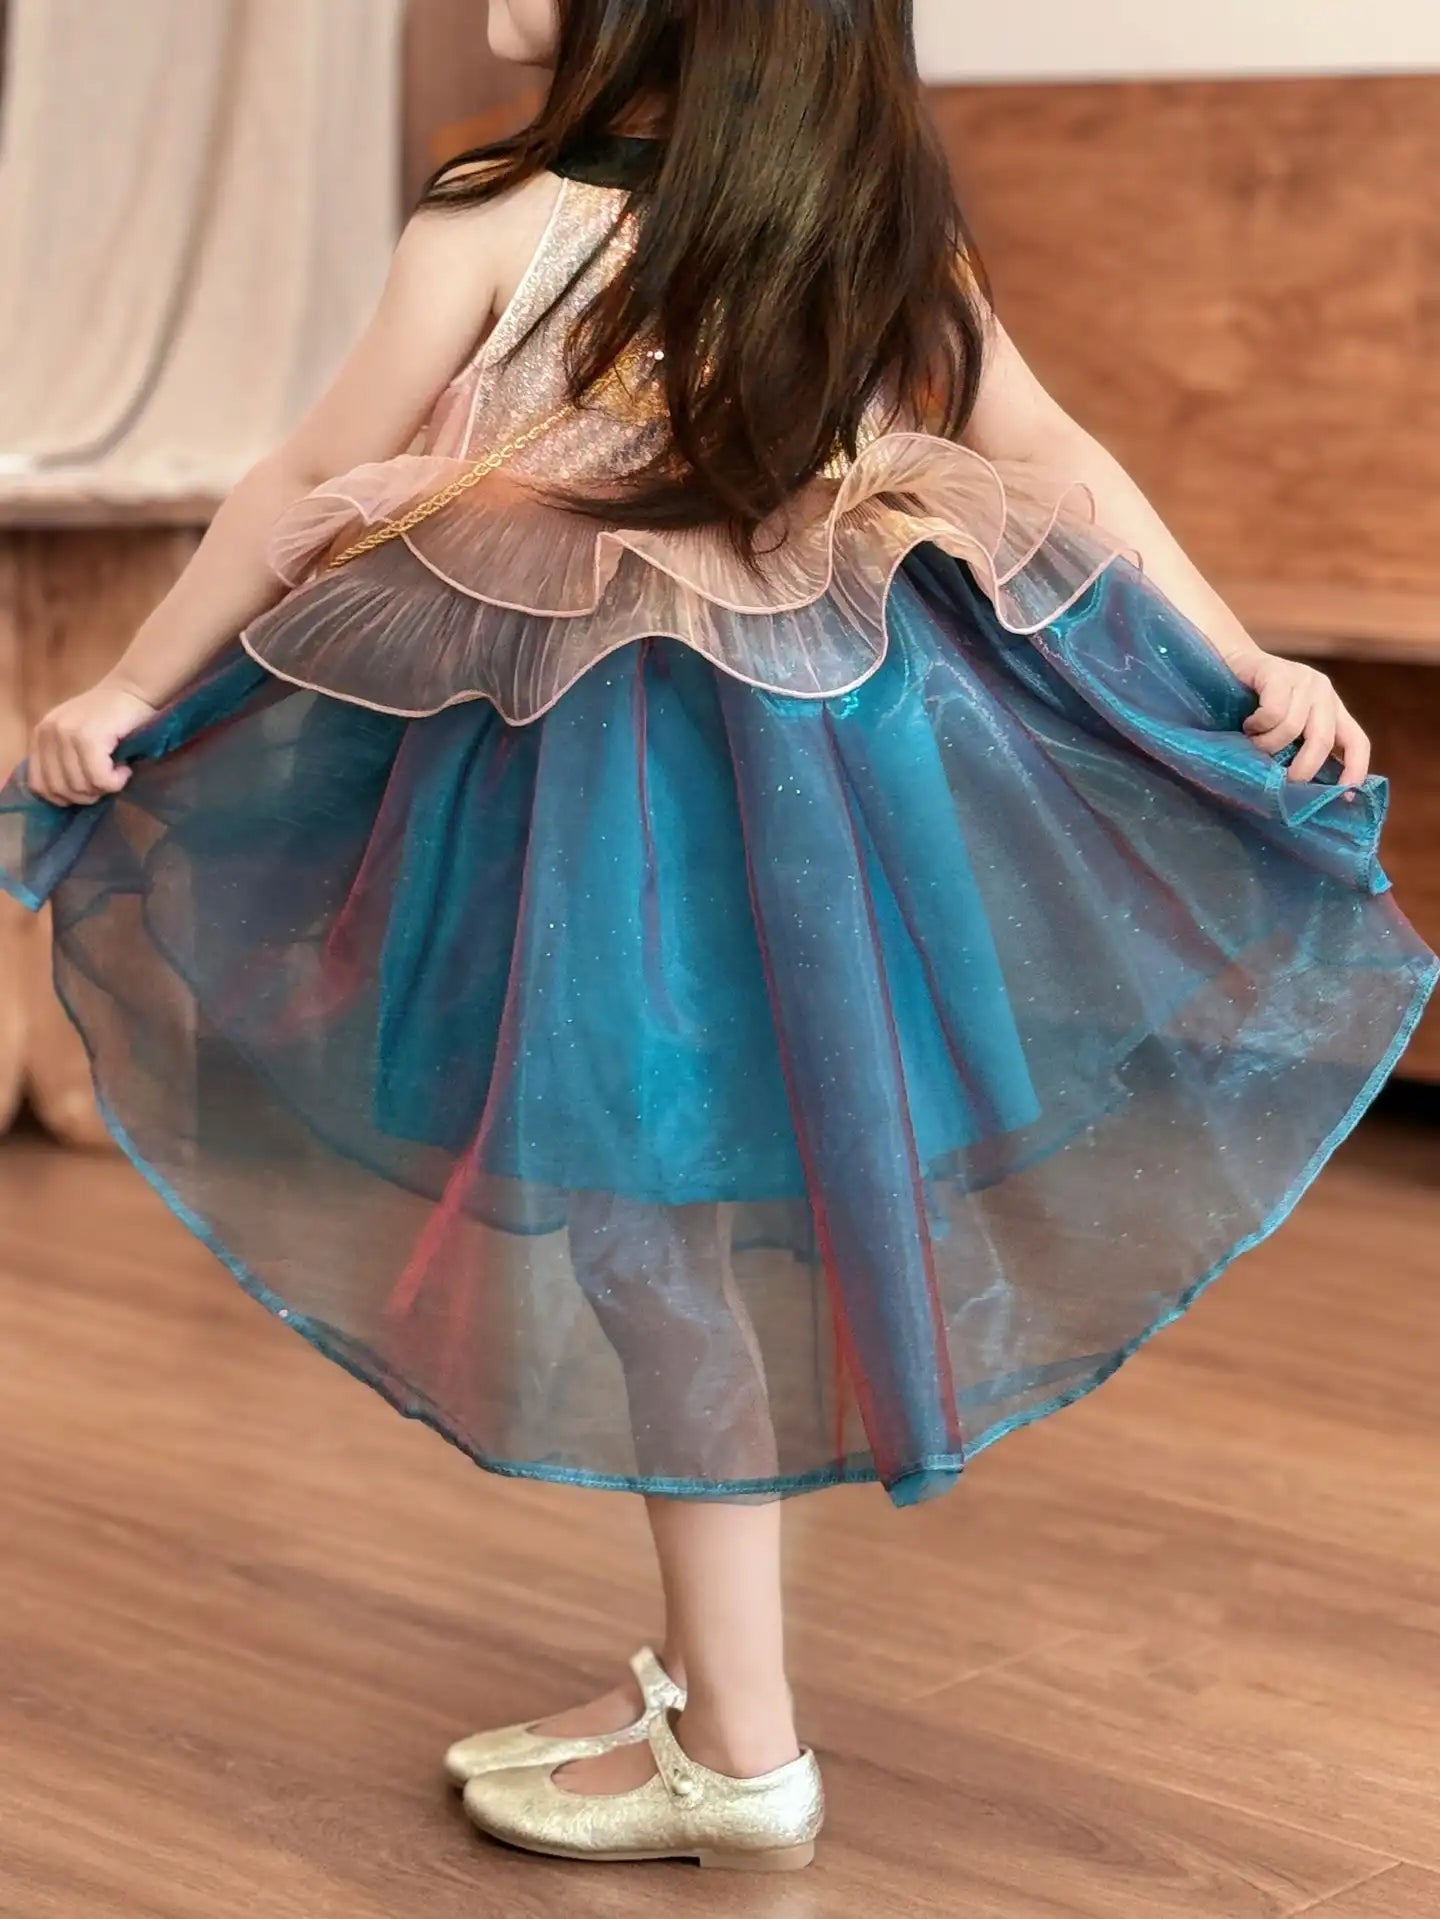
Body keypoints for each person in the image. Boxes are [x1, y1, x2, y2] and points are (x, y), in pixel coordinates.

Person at [2, 0, 1434, 1877]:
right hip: (830, 811)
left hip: (621, 819)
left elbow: (293, 489)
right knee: (687, 1214)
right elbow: (1060, 452)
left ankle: (745, 1748)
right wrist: (1236, 648)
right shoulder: (858, 219)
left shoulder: (501, 226)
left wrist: (129, 676)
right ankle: (702, 1670)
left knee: (648, 1219)